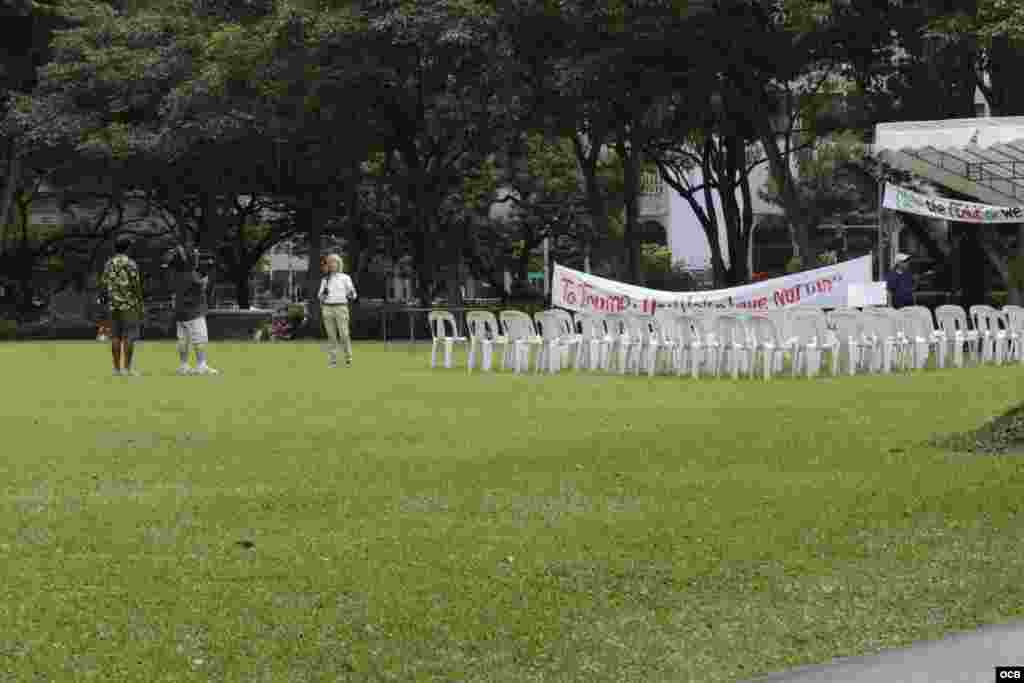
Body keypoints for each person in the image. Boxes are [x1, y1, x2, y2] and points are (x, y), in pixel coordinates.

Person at [167, 245, 219, 375]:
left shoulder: (175, 273)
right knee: (200, 339)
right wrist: (205, 282)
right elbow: (199, 288)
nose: (197, 257)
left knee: (183, 339)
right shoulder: (191, 274)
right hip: (193, 311)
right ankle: (201, 365)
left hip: (180, 312)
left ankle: (183, 365)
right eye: (195, 256)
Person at [100, 236, 145, 376]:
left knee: (115, 337)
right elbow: (136, 285)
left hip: (113, 305)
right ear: (127, 248)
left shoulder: (109, 263)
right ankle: (127, 368)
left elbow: (104, 282)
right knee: (129, 336)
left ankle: (116, 369)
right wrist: (140, 302)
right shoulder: (131, 263)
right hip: (129, 305)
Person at [319, 253, 357, 368]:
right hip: (327, 308)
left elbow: (353, 294)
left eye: (334, 262)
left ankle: (348, 358)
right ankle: (333, 360)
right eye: (330, 262)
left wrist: (350, 294)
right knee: (331, 336)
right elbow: (320, 296)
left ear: (339, 264)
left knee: (344, 334)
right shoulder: (325, 279)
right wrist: (324, 294)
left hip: (341, 307)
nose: (332, 264)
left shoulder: (345, 278)